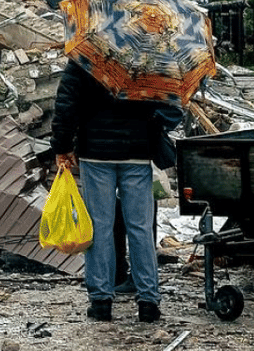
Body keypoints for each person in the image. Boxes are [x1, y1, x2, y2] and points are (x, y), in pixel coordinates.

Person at [51, 57, 180, 323]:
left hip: (96, 153)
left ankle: (101, 302)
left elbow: (66, 103)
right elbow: (170, 106)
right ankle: (148, 302)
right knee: (140, 227)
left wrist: (62, 146)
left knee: (100, 226)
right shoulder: (147, 57)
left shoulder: (86, 54)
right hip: (136, 152)